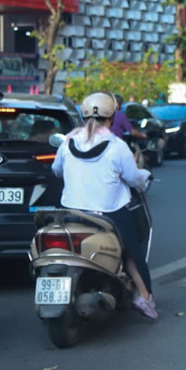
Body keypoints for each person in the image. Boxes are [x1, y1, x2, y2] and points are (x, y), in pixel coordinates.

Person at [51, 92, 157, 320]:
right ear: (112, 116)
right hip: (108, 213)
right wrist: (145, 175)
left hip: (71, 213)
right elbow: (133, 179)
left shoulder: (68, 142)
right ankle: (145, 297)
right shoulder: (117, 146)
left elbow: (56, 170)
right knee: (131, 251)